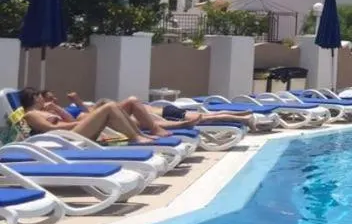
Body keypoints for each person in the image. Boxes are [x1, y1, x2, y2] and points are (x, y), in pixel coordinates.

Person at [18, 88, 160, 144]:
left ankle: (139, 134)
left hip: (72, 133)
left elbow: (70, 119)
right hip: (64, 138)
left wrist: (57, 109)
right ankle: (135, 138)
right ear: (34, 98)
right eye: (39, 96)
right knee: (109, 106)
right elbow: (49, 129)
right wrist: (77, 124)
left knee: (112, 105)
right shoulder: (31, 114)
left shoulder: (45, 110)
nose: (42, 98)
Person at [59, 92, 250, 130]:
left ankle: (245, 116)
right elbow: (87, 112)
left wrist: (74, 101)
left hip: (165, 113)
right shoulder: (109, 114)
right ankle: (244, 116)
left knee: (209, 117)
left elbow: (88, 112)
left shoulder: (118, 114)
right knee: (209, 116)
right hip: (165, 112)